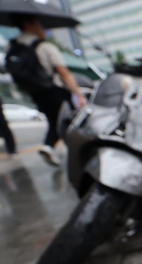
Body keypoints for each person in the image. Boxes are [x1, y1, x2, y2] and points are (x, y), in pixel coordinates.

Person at [11, 14, 87, 166]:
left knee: (54, 121)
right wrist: (78, 94)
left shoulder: (13, 48)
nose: (42, 28)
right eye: (39, 24)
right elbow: (64, 73)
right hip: (54, 91)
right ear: (28, 24)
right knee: (68, 121)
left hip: (36, 94)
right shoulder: (45, 46)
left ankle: (50, 146)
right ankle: (76, 153)